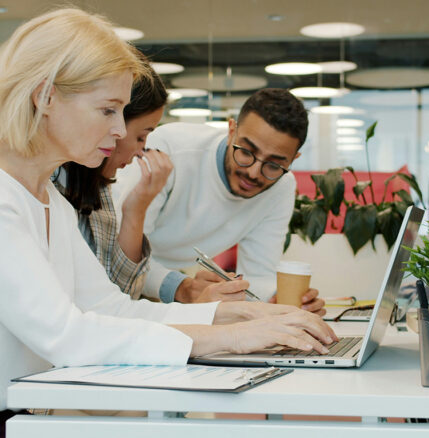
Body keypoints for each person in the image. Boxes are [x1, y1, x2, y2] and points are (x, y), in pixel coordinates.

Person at [0, 9, 335, 437]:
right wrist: (231, 337)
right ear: (45, 96)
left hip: (4, 412)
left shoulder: (47, 196)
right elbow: (67, 335)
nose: (119, 129)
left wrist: (241, 314)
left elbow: (112, 308)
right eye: (108, 109)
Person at [112, 89, 325, 312]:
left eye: (273, 165)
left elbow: (259, 275)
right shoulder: (169, 150)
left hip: (160, 283)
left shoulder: (281, 187)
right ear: (231, 130)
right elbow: (118, 251)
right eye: (246, 152)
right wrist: (182, 288)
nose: (254, 172)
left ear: (293, 160)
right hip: (115, 280)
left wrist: (280, 301)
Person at [53, 65, 169, 300]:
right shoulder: (43, 182)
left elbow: (121, 293)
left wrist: (135, 210)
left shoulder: (97, 188)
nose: (139, 151)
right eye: (141, 137)